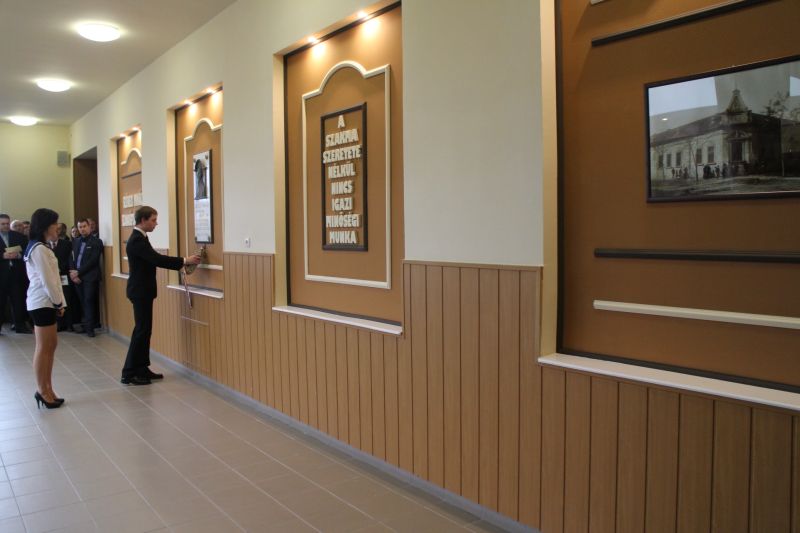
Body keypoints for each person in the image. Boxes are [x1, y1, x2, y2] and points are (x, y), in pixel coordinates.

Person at [122, 206, 201, 385]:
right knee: (141, 331)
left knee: (145, 330)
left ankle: (142, 368)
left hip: (143, 291)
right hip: (139, 291)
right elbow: (156, 259)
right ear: (143, 220)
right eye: (153, 220)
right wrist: (184, 261)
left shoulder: (141, 237)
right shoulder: (136, 240)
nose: (156, 224)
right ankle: (129, 372)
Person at [24, 208, 66, 409]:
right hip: (41, 302)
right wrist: (59, 302)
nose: (57, 227)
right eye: (54, 223)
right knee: (43, 347)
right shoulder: (38, 248)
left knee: (51, 346)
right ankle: (42, 390)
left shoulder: (42, 246)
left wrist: (60, 302)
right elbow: (48, 281)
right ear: (45, 226)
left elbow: (54, 280)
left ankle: (48, 388)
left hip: (47, 302)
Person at [70, 219, 103, 337]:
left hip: (90, 277)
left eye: (84, 226)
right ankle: (86, 324)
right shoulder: (75, 241)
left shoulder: (97, 242)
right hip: (76, 277)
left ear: (89, 227)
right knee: (82, 301)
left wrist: (78, 272)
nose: (82, 229)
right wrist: (72, 273)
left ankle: (90, 328)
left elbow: (93, 261)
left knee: (89, 301)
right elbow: (71, 258)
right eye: (80, 227)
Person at [0, 214, 32, 334]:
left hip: (16, 275)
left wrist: (18, 255)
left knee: (18, 301)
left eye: (7, 223)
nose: (6, 226)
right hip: (1, 275)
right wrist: (2, 256)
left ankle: (20, 326)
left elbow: (27, 252)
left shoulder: (19, 236)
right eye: (3, 224)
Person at [51, 223, 74, 332]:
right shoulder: (44, 245)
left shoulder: (66, 244)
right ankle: (59, 324)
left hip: (63, 275)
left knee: (67, 298)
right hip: (51, 276)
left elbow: (69, 259)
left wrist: (60, 269)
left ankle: (69, 324)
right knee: (54, 299)